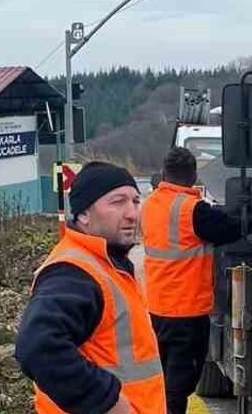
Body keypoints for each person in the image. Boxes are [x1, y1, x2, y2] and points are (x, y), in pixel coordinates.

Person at [15, 161, 166, 414]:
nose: (131, 213)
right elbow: (37, 347)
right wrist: (107, 402)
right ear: (84, 214)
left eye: (135, 201)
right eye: (118, 202)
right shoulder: (74, 272)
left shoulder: (107, 264)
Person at [141, 147, 245, 414]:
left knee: (162, 378)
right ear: (193, 176)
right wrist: (242, 210)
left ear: (164, 173)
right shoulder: (193, 210)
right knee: (179, 384)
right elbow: (232, 229)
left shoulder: (150, 204)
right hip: (187, 311)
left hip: (155, 307)